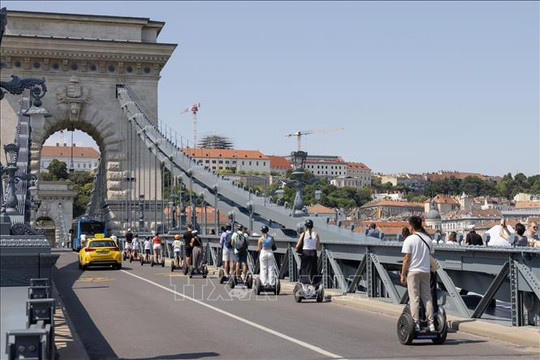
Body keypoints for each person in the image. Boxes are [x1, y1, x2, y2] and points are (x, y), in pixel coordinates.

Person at [400, 215, 435, 332]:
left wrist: (403, 274)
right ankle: (431, 324)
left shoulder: (409, 240)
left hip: (413, 272)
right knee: (427, 298)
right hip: (426, 271)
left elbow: (406, 258)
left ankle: (416, 323)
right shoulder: (428, 240)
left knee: (414, 298)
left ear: (412, 226)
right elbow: (430, 256)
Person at [295, 219, 321, 285]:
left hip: (305, 253)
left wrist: (297, 248)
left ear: (306, 226)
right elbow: (318, 247)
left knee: (304, 268)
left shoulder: (303, 234)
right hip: (313, 253)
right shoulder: (316, 234)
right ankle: (313, 282)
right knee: (313, 268)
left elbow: (298, 245)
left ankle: (304, 282)